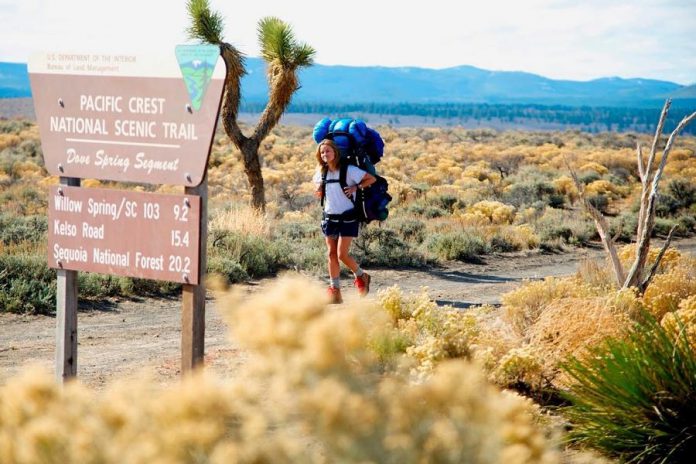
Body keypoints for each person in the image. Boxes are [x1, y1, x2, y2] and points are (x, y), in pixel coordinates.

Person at [313, 139, 376, 304]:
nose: (325, 154)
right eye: (322, 152)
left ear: (335, 152)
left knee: (342, 254)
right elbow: (319, 189)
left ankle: (362, 275)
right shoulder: (321, 172)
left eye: (328, 151)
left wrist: (356, 187)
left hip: (348, 216)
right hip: (329, 217)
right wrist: (319, 190)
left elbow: (371, 179)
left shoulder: (349, 170)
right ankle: (335, 291)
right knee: (331, 254)